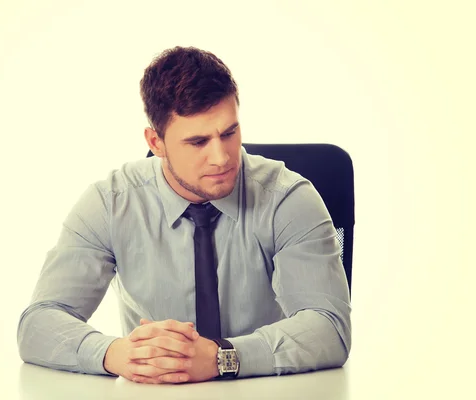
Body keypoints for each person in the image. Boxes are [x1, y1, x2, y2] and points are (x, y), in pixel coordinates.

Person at [17, 46, 351, 384]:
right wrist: (116, 353)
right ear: (156, 141)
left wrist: (223, 357)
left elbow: (330, 328)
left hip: (265, 388)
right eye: (197, 142)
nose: (221, 157)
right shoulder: (111, 203)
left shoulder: (288, 198)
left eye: (229, 133)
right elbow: (39, 324)